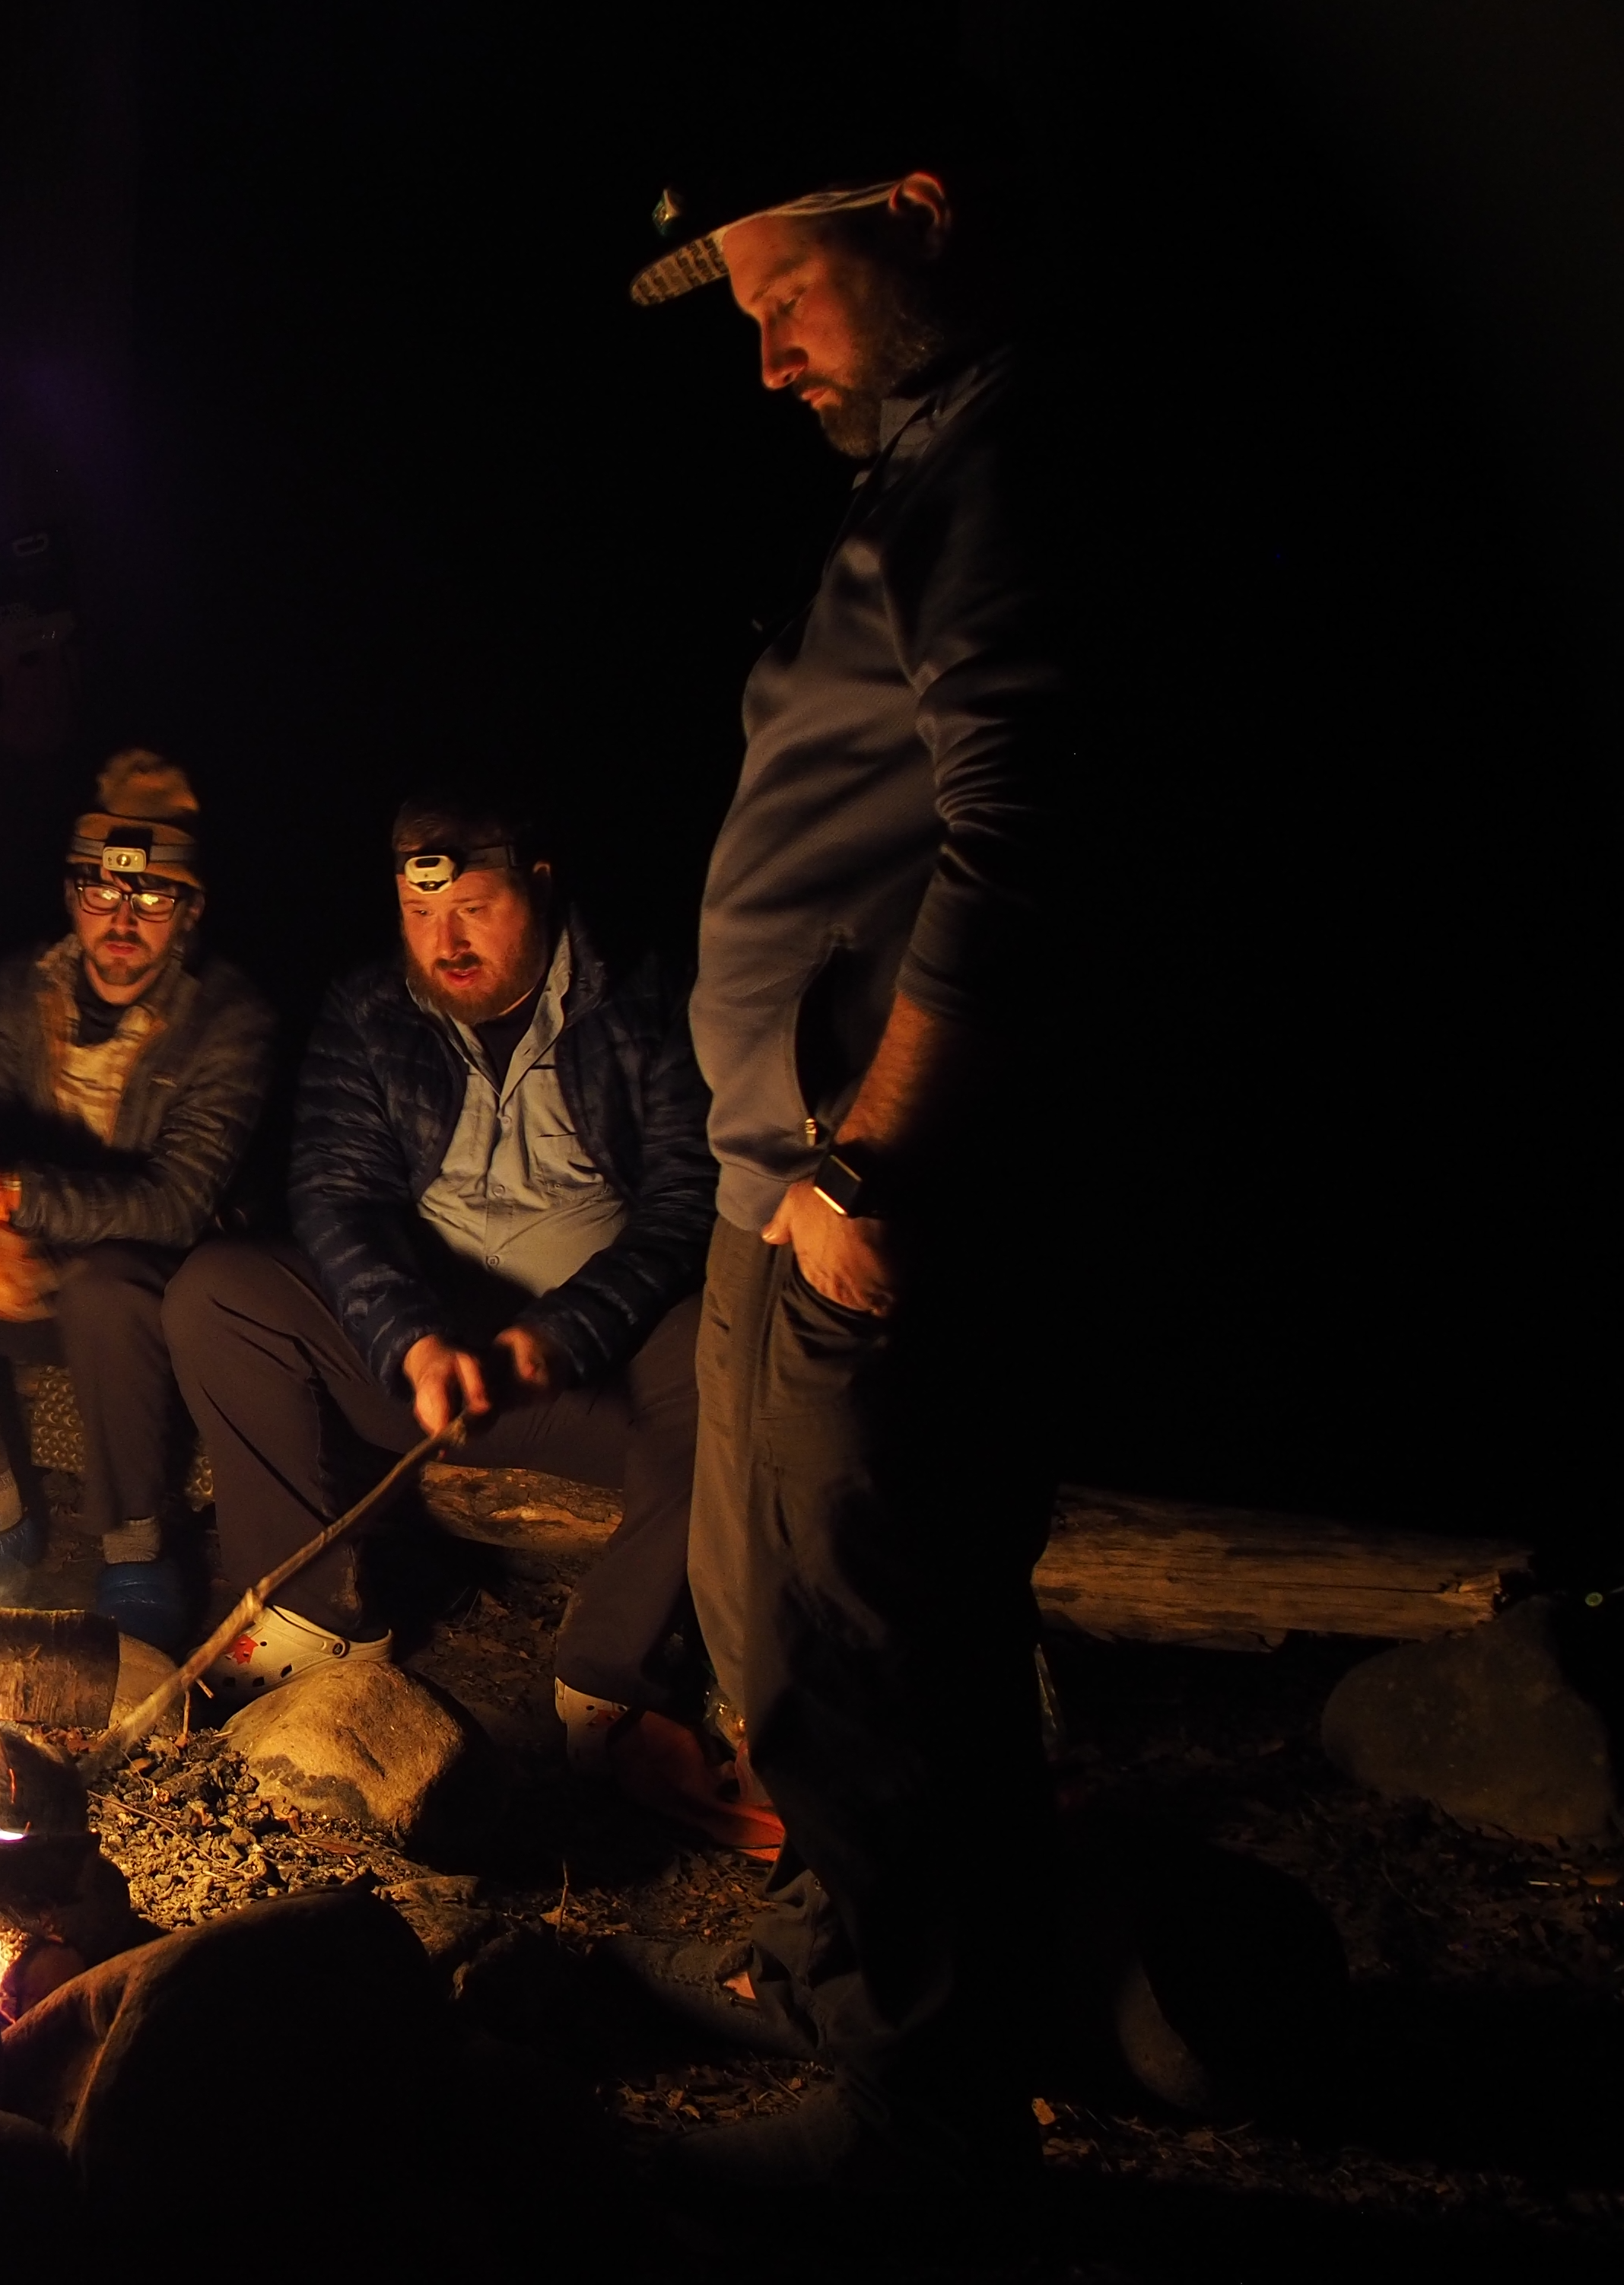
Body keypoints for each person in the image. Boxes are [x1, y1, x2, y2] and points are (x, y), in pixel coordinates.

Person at [612, 122, 1075, 2194]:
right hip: (769, 1168)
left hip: (850, 1186)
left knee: (869, 1642)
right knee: (761, 1620)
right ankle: (834, 1970)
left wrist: (871, 1167)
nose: (769, 355)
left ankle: (921, 2121)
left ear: (921, 219)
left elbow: (1024, 844)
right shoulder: (911, 480)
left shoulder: (1002, 477)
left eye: (787, 295)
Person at [164, 795, 728, 1784]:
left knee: (723, 1346)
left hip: (592, 1380)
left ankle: (613, 1688)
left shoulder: (646, 1001)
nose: (445, 941)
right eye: (420, 916)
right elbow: (338, 1196)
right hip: (428, 1370)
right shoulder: (372, 1011)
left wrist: (563, 1332)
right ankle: (313, 1610)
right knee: (222, 1291)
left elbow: (686, 1208)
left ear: (539, 883)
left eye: (473, 907)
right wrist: (413, 1339)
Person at [0, 752, 275, 1639]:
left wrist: (9, 1196)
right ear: (69, 892)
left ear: (189, 910)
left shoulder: (228, 1017)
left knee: (105, 1287)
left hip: (148, 1298)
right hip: (25, 1260)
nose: (121, 920)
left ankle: (135, 1548)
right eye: (98, 890)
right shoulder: (23, 986)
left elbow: (179, 1202)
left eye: (152, 898)